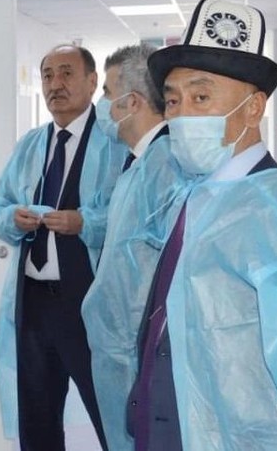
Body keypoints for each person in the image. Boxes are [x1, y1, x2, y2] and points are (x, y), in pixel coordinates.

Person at [127, 0, 277, 450]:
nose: (181, 114)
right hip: (166, 425)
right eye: (172, 100)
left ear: (253, 109)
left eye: (201, 97)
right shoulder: (192, 197)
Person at [0, 44, 123, 450]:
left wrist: (85, 222)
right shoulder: (32, 144)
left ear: (92, 81)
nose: (55, 85)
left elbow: (129, 215)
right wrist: (12, 218)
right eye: (47, 75)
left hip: (86, 300)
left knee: (109, 409)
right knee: (37, 416)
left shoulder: (115, 143)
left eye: (66, 73)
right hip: (33, 302)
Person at [79, 44, 185, 451]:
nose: (102, 106)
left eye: (107, 93)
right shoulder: (139, 164)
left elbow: (161, 274)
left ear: (133, 102)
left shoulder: (164, 167)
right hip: (118, 349)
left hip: (134, 353)